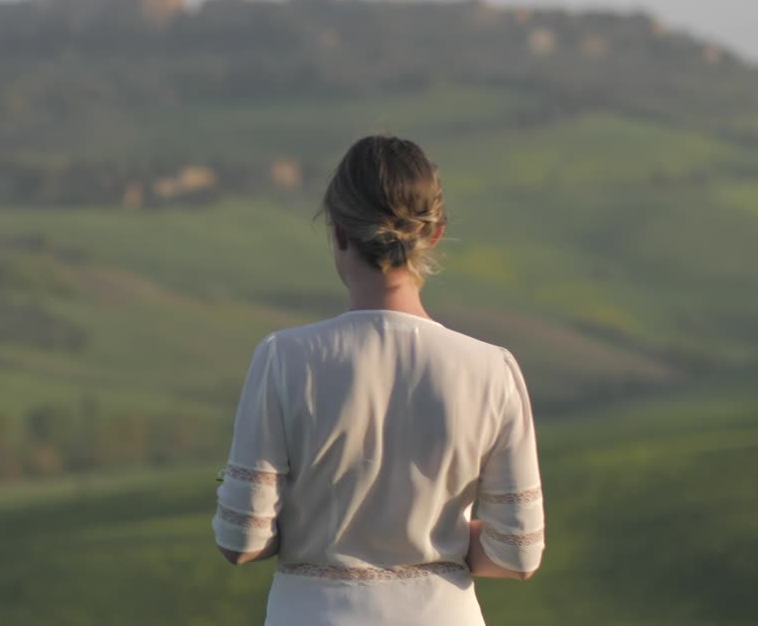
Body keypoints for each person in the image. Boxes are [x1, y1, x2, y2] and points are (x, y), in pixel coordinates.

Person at [213, 135, 545, 625]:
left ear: (340, 231)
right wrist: (433, 544)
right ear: (434, 235)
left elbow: (241, 539)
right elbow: (518, 552)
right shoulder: (491, 369)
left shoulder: (284, 359)